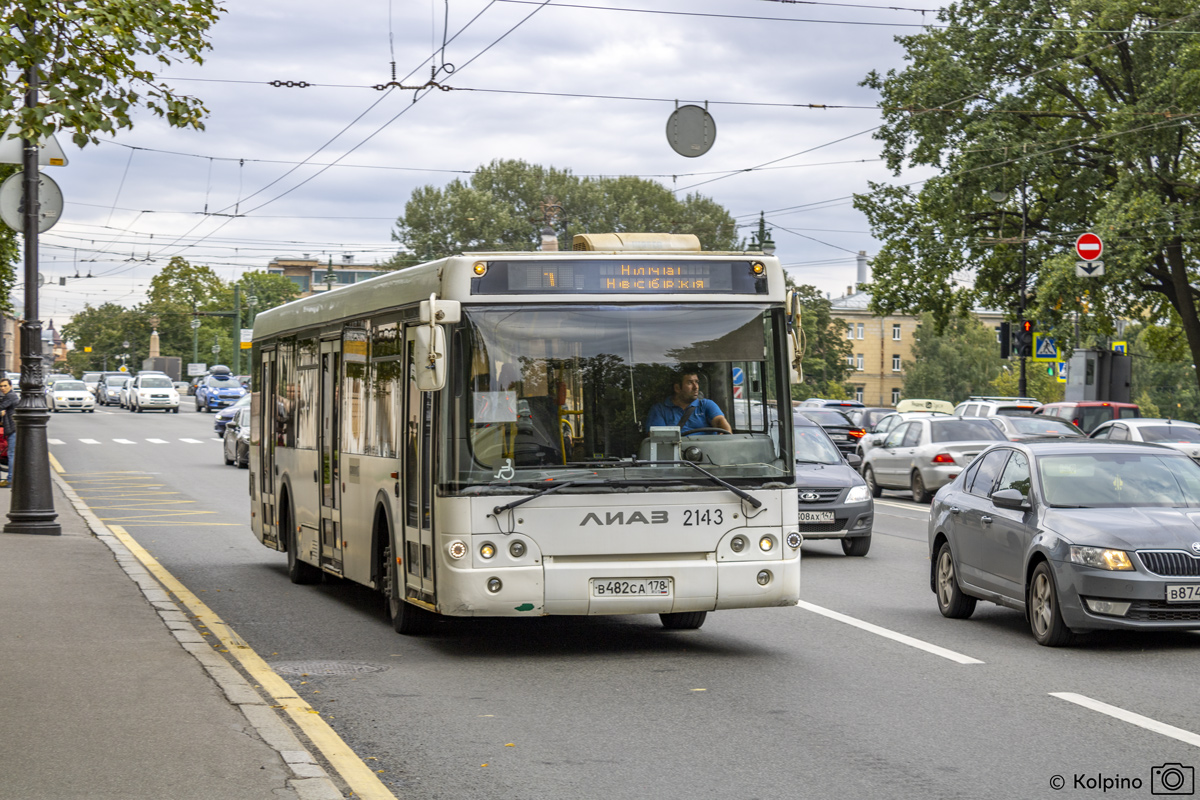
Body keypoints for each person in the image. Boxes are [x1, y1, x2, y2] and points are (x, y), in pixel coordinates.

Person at [646, 369, 732, 434]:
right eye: (690, 383)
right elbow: (658, 439)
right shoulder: (660, 409)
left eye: (697, 382)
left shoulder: (707, 405)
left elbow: (720, 422)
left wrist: (725, 435)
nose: (696, 387)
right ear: (677, 388)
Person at [0, 377, 16, 488]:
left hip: (13, 429)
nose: (3, 388)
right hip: (11, 429)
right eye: (1, 386)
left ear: (10, 386)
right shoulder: (9, 396)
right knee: (11, 454)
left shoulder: (10, 396)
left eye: (5, 386)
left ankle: (10, 480)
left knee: (11, 454)